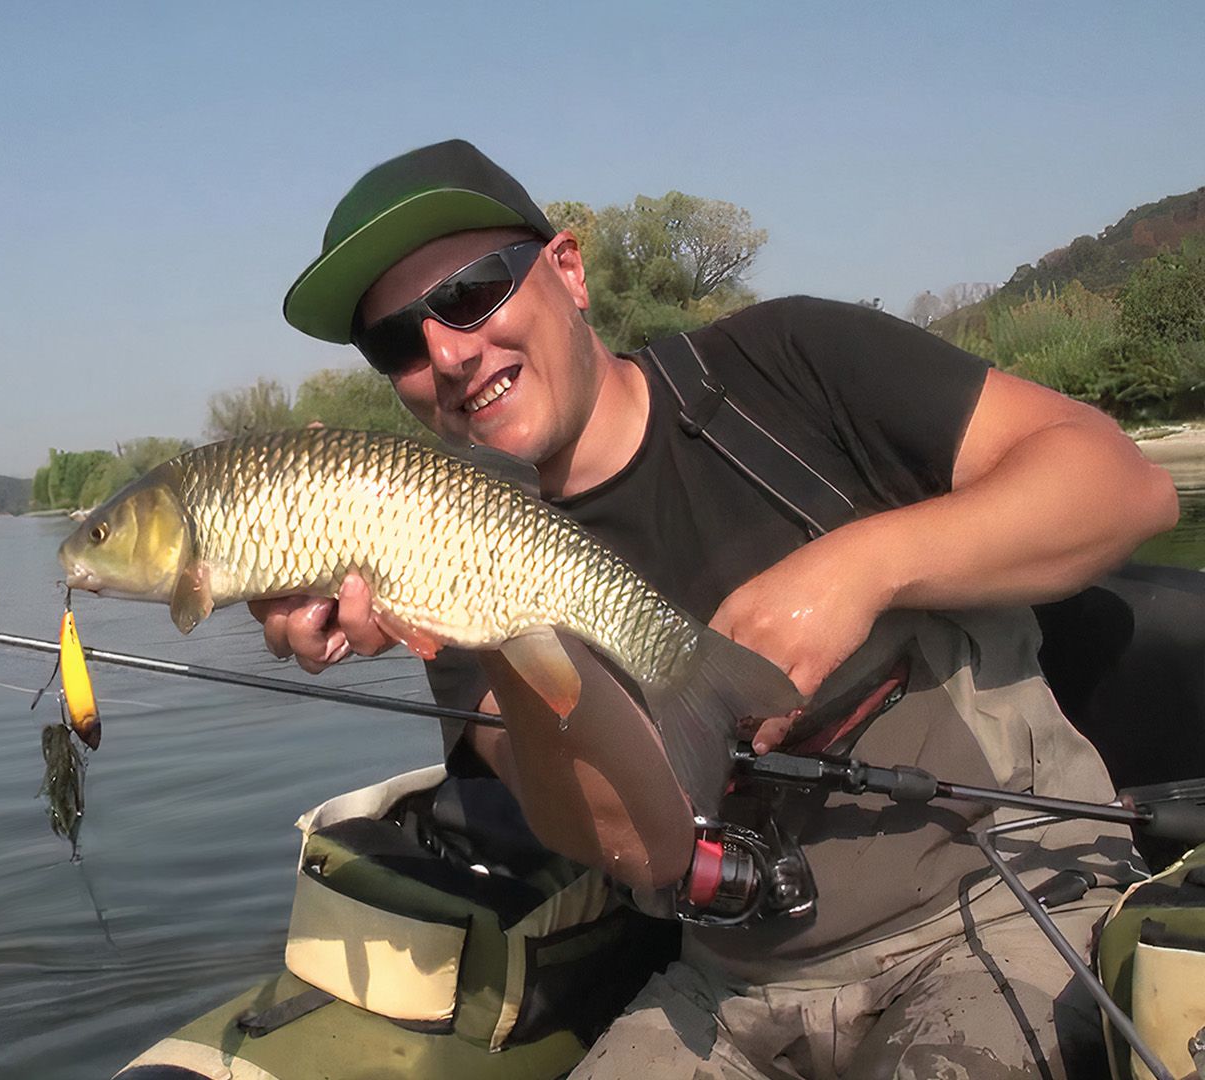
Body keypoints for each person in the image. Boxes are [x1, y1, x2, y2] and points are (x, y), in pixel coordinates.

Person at [260, 140, 1180, 1078]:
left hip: (1003, 902)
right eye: (395, 343)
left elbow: (1125, 489)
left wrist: (864, 566)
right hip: (728, 989)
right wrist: (486, 619)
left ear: (567, 272)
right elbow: (640, 847)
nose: (449, 353)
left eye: (471, 293)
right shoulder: (439, 551)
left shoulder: (792, 361)